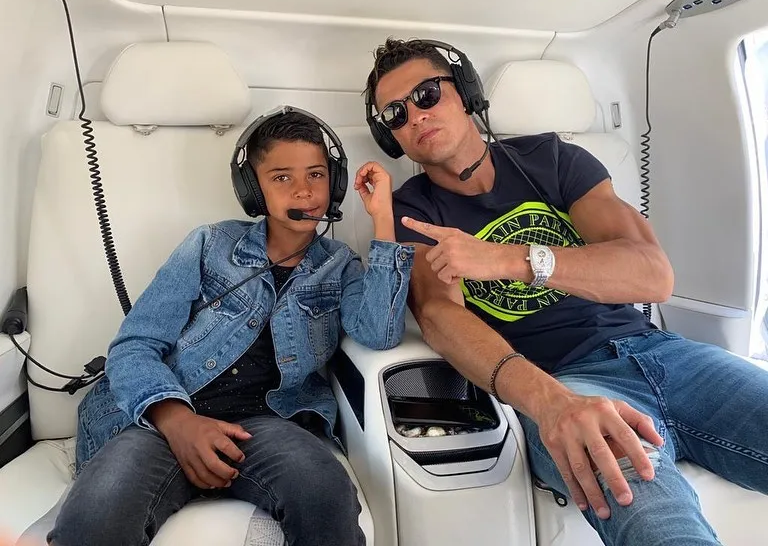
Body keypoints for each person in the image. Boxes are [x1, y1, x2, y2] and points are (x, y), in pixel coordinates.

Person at [364, 37, 768, 545]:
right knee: (663, 528)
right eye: (396, 114)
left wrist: (509, 259)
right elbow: (441, 319)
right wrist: (552, 404)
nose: (415, 116)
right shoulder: (413, 211)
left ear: (464, 92)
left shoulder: (553, 160)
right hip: (565, 383)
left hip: (671, 357)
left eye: (427, 94)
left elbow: (652, 274)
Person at [46, 108, 414, 546]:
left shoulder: (340, 265)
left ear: (334, 183)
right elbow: (134, 345)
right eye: (282, 177)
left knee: (324, 493)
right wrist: (178, 421)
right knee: (94, 518)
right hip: (166, 419)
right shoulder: (209, 245)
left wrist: (382, 219)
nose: (304, 190)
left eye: (316, 175)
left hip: (266, 423)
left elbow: (378, 333)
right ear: (252, 189)